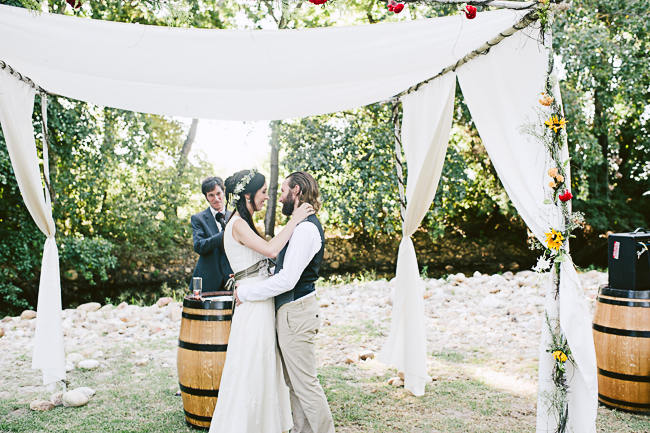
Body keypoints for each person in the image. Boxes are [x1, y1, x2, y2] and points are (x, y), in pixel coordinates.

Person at [209, 169, 315, 433]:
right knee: (251, 366)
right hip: (253, 305)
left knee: (263, 365)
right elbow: (270, 250)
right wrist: (296, 219)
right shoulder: (238, 224)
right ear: (248, 194)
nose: (268, 197)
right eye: (264, 191)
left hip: (259, 300)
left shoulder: (243, 222)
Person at [235, 171, 335, 433]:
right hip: (293, 313)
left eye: (283, 191)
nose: (279, 199)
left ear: (297, 191)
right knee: (295, 384)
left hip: (297, 313)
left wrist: (246, 294)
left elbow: (288, 281)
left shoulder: (305, 230)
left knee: (306, 385)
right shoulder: (301, 227)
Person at [189, 176, 232, 292]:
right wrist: (224, 234)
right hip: (208, 281)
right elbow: (199, 246)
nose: (216, 198)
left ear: (224, 193)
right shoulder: (198, 219)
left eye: (218, 193)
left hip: (232, 279)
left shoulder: (235, 217)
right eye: (211, 195)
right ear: (206, 197)